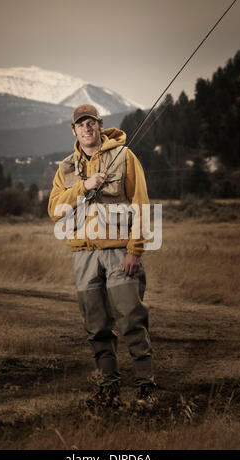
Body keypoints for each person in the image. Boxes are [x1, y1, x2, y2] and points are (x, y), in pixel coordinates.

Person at [48, 104, 157, 410]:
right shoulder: (66, 168)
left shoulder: (124, 156)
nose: (87, 128)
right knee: (96, 327)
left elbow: (142, 204)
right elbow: (54, 209)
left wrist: (135, 250)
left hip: (120, 253)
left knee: (132, 321)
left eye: (91, 123)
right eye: (80, 124)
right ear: (74, 131)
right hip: (83, 256)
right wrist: (84, 186)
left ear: (100, 125)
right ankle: (108, 392)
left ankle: (145, 390)